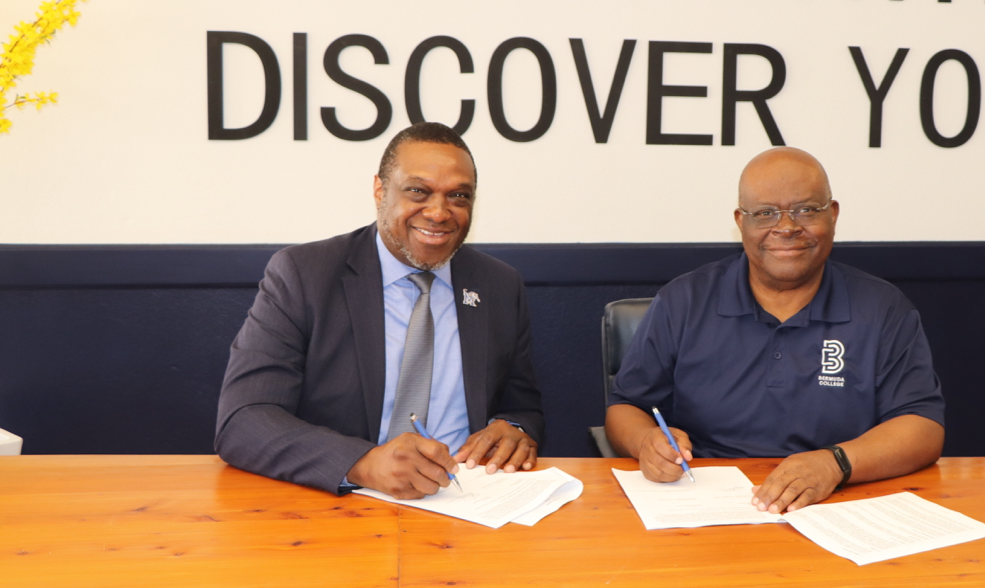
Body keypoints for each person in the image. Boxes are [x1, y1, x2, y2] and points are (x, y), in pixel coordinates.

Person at [605, 146, 944, 513]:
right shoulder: (684, 301)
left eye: (806, 210)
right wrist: (646, 443)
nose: (786, 227)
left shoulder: (882, 307)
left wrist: (835, 463)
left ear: (832, 215)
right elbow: (625, 407)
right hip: (704, 503)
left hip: (841, 500)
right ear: (740, 221)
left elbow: (922, 427)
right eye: (766, 213)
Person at [216, 122, 542, 498]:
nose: (439, 213)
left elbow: (523, 406)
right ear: (379, 191)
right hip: (342, 504)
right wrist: (363, 462)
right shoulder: (304, 275)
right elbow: (243, 420)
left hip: (468, 502)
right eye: (418, 191)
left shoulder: (499, 285)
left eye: (458, 196)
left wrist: (514, 427)